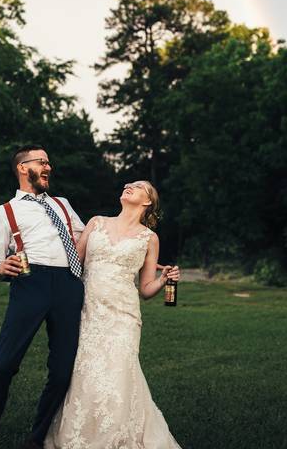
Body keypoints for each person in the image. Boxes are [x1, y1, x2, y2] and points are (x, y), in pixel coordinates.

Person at [44, 180, 182, 449]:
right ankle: (80, 435)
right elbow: (75, 263)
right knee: (84, 372)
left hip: (124, 315)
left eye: (139, 185)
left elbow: (145, 288)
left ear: (148, 201)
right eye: (128, 183)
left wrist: (164, 279)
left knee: (118, 372)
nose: (129, 185)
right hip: (88, 311)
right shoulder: (96, 223)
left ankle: (118, 434)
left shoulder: (149, 238)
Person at [0, 145, 86, 449]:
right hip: (30, 282)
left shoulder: (63, 204)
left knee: (63, 370)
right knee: (5, 364)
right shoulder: (4, 212)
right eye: (42, 162)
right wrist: (0, 267)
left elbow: (90, 237)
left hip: (69, 284)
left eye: (50, 162)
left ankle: (36, 439)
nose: (49, 167)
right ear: (24, 168)